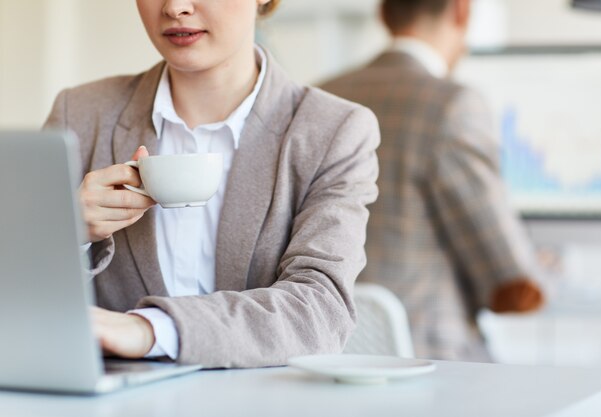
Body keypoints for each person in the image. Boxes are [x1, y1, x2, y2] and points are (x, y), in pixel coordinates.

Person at [43, 0, 379, 368]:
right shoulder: (79, 114)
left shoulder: (334, 131)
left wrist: (151, 329)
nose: (175, 8)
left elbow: (319, 310)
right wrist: (65, 231)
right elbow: (20, 297)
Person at [321, 0, 543, 361]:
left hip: (328, 352)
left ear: (383, 14)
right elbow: (509, 277)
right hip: (428, 357)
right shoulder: (452, 104)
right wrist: (542, 271)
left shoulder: (321, 96)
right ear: (461, 11)